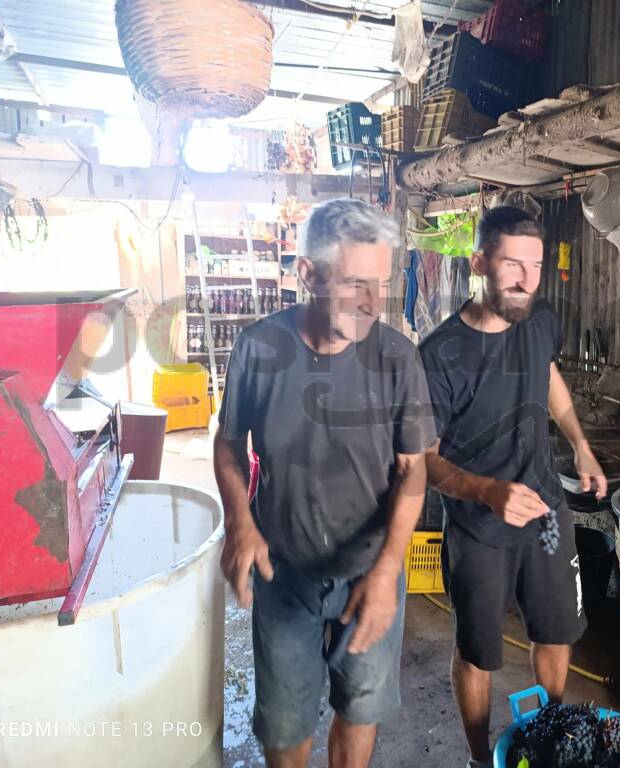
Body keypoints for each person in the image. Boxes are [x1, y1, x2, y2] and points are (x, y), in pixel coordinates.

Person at [213, 198, 437, 768]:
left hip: (370, 570)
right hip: (282, 571)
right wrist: (240, 521)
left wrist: (388, 570)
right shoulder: (260, 349)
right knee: (286, 726)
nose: (372, 303)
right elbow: (227, 443)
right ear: (308, 274)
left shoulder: (398, 360)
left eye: (381, 284)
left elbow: (414, 470)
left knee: (360, 711)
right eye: (354, 282)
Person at [418, 205, 608, 768]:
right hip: (478, 528)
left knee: (555, 633)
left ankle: (550, 739)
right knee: (477, 651)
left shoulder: (540, 320)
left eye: (536, 265)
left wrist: (580, 442)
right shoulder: (439, 356)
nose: (527, 279)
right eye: (511, 264)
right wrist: (487, 493)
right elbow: (425, 461)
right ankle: (482, 760)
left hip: (546, 515)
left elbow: (548, 375)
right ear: (479, 263)